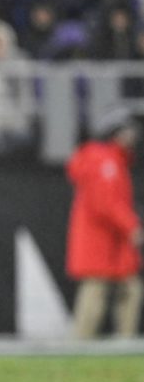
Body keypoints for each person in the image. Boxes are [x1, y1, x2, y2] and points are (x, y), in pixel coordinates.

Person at [66, 108, 143, 339]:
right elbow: (107, 203)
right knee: (95, 293)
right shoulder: (104, 160)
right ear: (115, 132)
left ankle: (123, 344)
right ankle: (81, 345)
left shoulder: (111, 159)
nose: (134, 135)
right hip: (100, 240)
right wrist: (133, 227)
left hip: (112, 243)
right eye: (129, 130)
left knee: (128, 289)